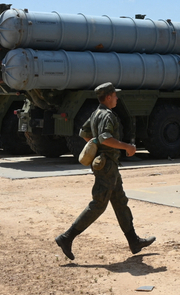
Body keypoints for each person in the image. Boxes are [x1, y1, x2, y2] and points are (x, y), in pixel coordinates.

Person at [55, 82, 155, 260]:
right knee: (98, 205)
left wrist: (96, 146)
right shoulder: (107, 115)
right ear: (108, 97)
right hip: (107, 166)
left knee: (120, 202)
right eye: (115, 95)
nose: (117, 98)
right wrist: (127, 147)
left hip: (108, 165)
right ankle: (66, 238)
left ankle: (134, 241)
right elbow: (105, 137)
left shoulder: (95, 114)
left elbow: (84, 133)